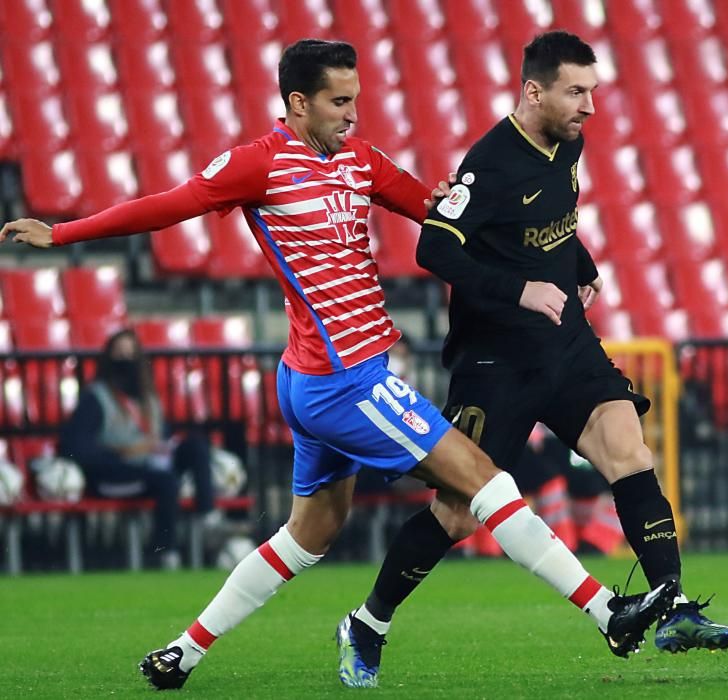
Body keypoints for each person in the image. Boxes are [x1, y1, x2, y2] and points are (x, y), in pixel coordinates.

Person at [1, 39, 674, 691]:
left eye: (355, 100)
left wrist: (505, 231)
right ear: (298, 103)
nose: (352, 115)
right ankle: (604, 610)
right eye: (338, 102)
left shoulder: (359, 159)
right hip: (344, 381)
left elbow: (441, 220)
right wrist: (61, 233)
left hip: (310, 379)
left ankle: (183, 652)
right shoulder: (257, 165)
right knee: (482, 479)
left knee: (311, 532)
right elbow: (167, 205)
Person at [338, 30, 728, 685]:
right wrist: (520, 288)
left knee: (627, 448)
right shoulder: (490, 164)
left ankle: (671, 608)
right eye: (575, 92)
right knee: (457, 513)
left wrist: (580, 263)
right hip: (495, 362)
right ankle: (367, 623)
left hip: (567, 345)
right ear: (533, 91)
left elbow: (559, 215)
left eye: (592, 91)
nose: (588, 106)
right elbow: (434, 249)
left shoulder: (567, 142)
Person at [59, 328, 216, 570]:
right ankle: (165, 552)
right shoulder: (96, 398)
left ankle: (209, 516)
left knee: (195, 445)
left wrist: (161, 445)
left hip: (151, 464)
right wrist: (123, 451)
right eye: (119, 353)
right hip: (114, 473)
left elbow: (163, 435)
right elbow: (77, 447)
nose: (126, 360)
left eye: (131, 353)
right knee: (166, 481)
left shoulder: (149, 398)